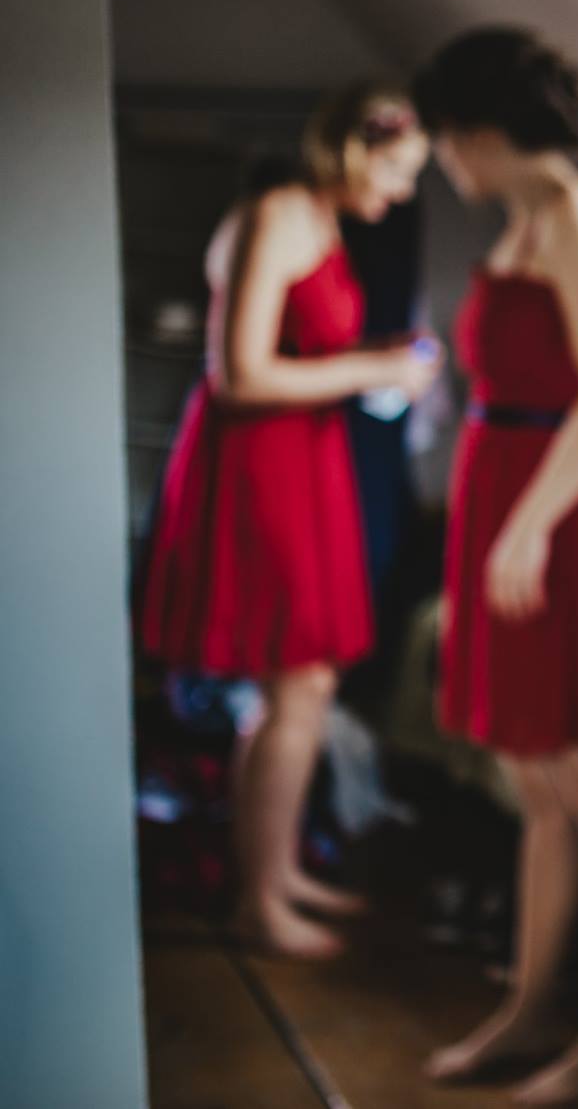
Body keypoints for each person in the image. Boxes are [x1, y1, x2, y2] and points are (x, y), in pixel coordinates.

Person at [414, 28, 578, 1107]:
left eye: (442, 137)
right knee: (538, 786)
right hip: (506, 503)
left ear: (475, 130)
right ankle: (525, 1010)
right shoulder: (523, 219)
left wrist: (526, 528)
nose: (440, 159)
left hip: (559, 517)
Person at [138, 84, 437, 960]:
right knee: (296, 682)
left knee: (300, 685)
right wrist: (371, 371)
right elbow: (239, 374)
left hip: (303, 459)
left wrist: (377, 357)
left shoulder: (319, 219)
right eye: (397, 170)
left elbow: (299, 349)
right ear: (354, 151)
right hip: (261, 466)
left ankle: (275, 874)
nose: (403, 192)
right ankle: (261, 899)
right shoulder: (277, 213)